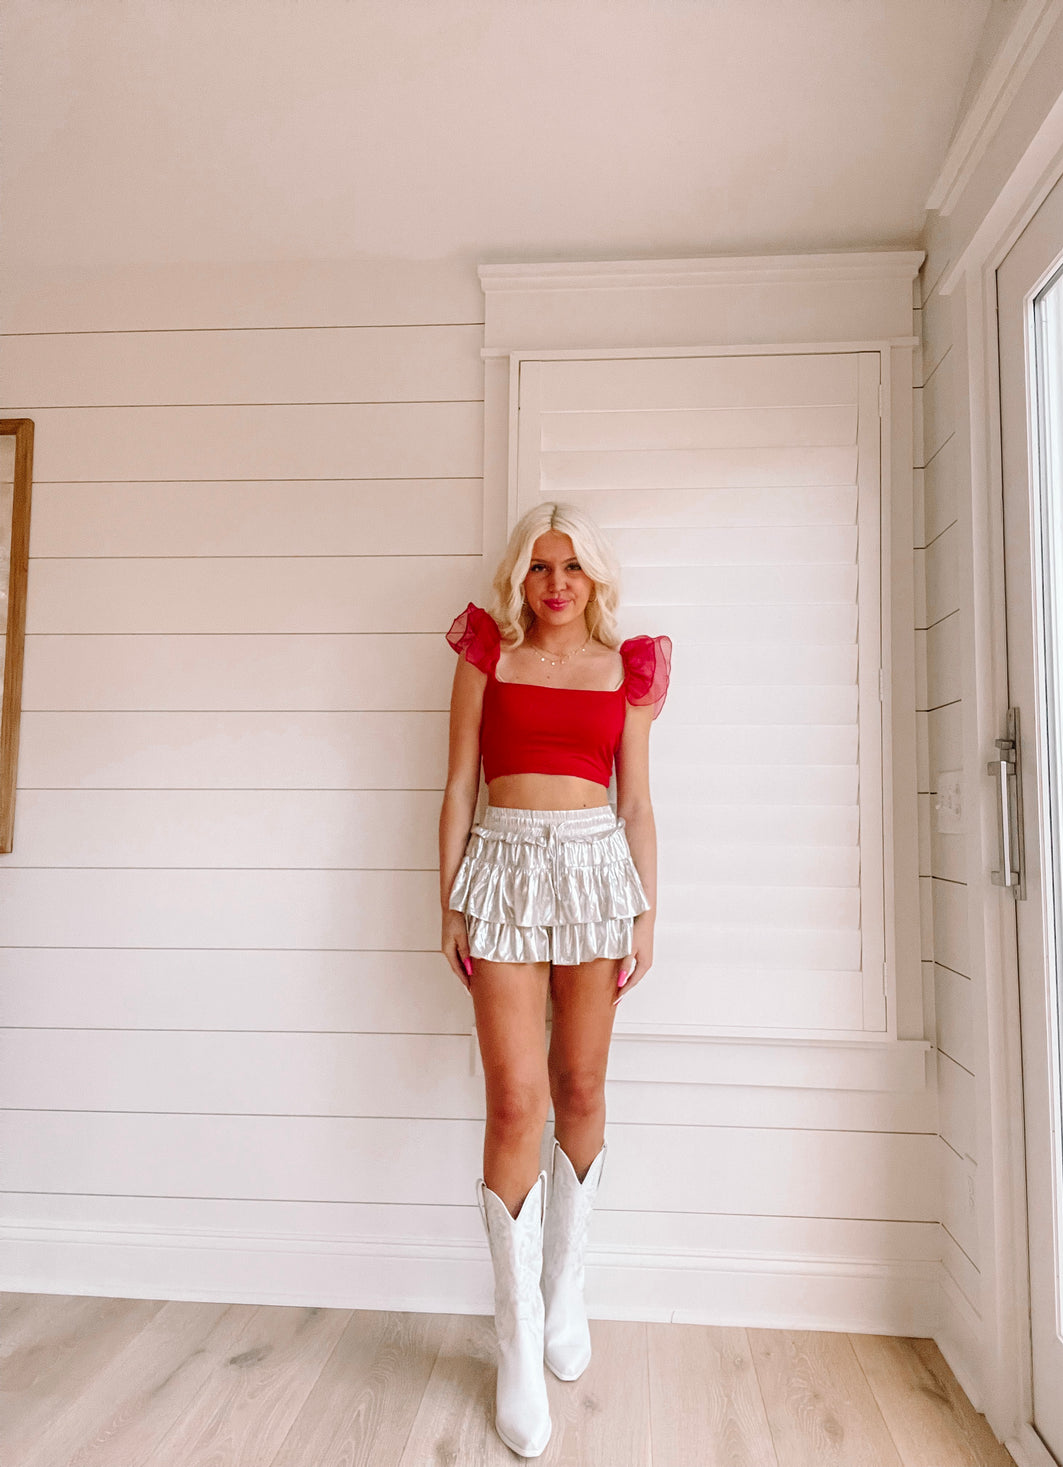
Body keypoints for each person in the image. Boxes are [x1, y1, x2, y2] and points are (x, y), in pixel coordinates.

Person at [438, 500, 671, 1457]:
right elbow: (457, 782)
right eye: (540, 567)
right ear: (520, 579)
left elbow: (639, 802)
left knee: (579, 1083)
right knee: (513, 1100)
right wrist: (447, 896)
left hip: (594, 868)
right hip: (498, 866)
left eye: (571, 568)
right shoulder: (486, 655)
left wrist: (647, 910)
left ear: (594, 579)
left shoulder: (627, 672)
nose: (557, 584)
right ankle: (516, 1344)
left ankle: (565, 1285)